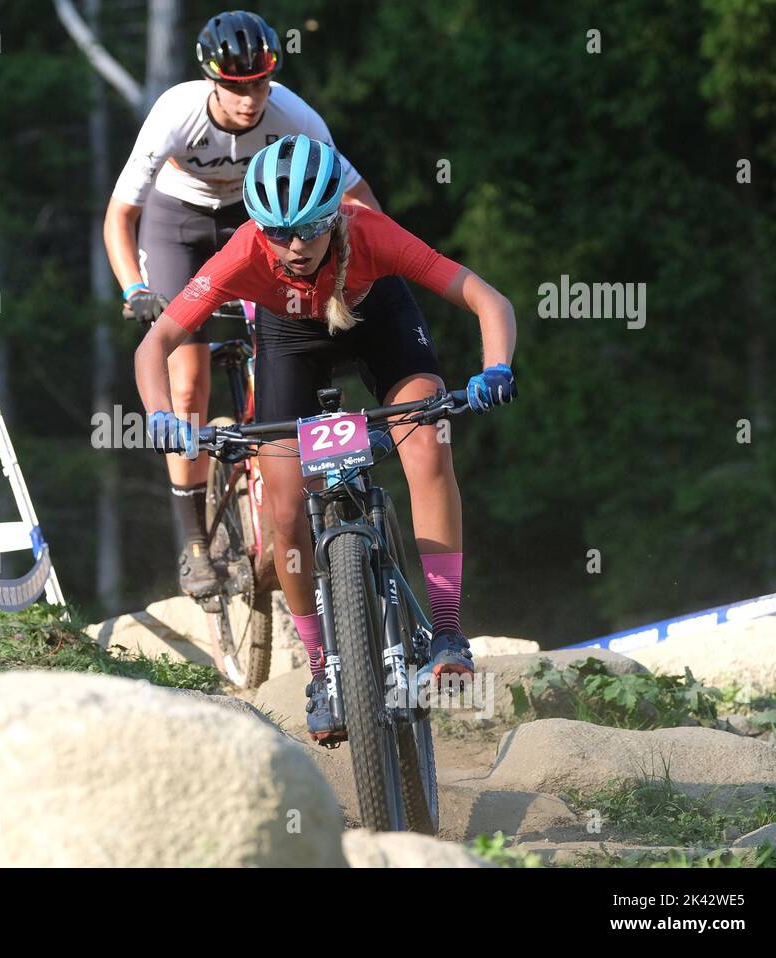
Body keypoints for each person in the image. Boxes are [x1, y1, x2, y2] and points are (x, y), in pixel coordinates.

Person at [134, 134, 518, 741]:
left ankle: (448, 630)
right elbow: (155, 343)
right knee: (286, 507)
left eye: (310, 229)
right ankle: (323, 667)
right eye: (277, 232)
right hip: (290, 340)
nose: (293, 246)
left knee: (427, 444)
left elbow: (486, 299)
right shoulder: (243, 252)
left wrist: (495, 368)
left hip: (377, 320)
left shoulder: (370, 232)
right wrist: (161, 413)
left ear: (334, 216)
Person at [103, 10, 381, 596]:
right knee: (188, 385)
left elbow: (356, 201)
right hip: (176, 225)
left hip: (255, 221)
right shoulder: (174, 113)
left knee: (298, 336)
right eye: (235, 87)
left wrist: (364, 266)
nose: (250, 100)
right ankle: (195, 545)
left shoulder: (295, 116)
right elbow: (120, 216)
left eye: (260, 84)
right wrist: (134, 289)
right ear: (210, 80)